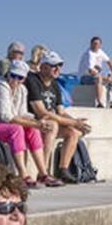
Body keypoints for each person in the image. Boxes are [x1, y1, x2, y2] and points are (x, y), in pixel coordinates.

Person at [0, 60, 54, 185]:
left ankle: (43, 174)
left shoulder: (22, 90)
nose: (15, 80)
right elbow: (7, 116)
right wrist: (37, 124)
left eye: (19, 77)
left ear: (24, 79)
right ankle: (23, 175)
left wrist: (38, 122)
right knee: (16, 129)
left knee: (32, 130)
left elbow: (22, 114)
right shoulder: (0, 85)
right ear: (8, 73)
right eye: (13, 75)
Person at [26, 51, 95, 184]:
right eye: (53, 66)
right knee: (52, 124)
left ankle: (63, 170)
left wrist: (76, 123)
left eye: (59, 66)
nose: (57, 69)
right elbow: (41, 112)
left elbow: (61, 112)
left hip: (47, 122)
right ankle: (43, 173)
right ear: (43, 67)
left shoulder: (55, 85)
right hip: (32, 122)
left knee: (73, 132)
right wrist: (72, 122)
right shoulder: (32, 80)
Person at [80, 37, 112, 109]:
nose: (95, 45)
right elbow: (91, 71)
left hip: (95, 76)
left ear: (100, 45)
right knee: (99, 78)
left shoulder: (100, 52)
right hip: (85, 77)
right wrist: (105, 78)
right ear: (91, 44)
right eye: (94, 44)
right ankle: (99, 102)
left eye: (97, 44)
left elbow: (109, 62)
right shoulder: (89, 54)